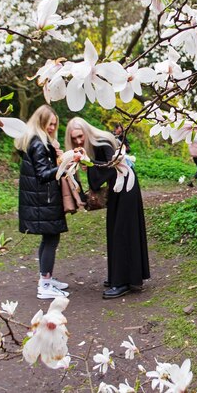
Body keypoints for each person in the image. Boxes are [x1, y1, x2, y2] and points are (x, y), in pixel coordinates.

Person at [66, 117, 150, 299]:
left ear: (86, 131)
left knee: (122, 231)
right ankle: (122, 277)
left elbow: (101, 176)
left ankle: (122, 282)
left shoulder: (101, 142)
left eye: (80, 136)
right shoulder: (98, 142)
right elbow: (103, 170)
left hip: (124, 186)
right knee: (116, 230)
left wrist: (87, 164)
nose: (79, 141)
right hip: (119, 187)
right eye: (74, 139)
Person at [15, 105, 70, 300]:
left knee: (48, 239)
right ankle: (45, 283)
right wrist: (64, 165)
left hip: (40, 200)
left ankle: (46, 278)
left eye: (55, 124)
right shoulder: (38, 144)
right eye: (49, 124)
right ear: (41, 123)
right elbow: (43, 175)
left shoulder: (37, 141)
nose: (53, 128)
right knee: (51, 239)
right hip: (43, 200)